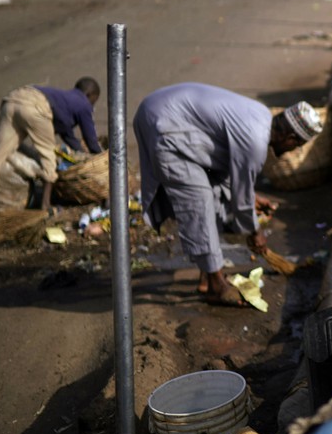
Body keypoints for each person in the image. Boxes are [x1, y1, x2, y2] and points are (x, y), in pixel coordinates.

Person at [133, 84, 322, 306]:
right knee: (198, 200)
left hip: (161, 110)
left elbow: (234, 175)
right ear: (290, 137)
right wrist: (255, 232)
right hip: (164, 123)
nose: (294, 150)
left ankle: (207, 275)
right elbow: (241, 199)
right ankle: (216, 285)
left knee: (212, 190)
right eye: (297, 145)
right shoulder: (255, 142)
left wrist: (251, 198)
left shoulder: (261, 116)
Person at [0, 78, 103, 228]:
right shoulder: (83, 104)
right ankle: (45, 206)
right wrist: (100, 157)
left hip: (13, 100)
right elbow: (91, 140)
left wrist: (81, 153)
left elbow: (68, 135)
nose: (93, 104)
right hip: (34, 107)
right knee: (48, 157)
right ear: (90, 95)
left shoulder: (64, 98)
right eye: (94, 100)